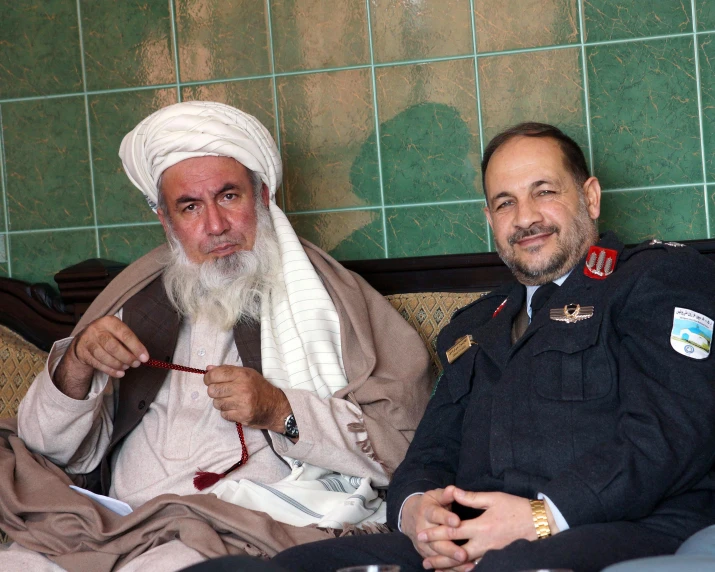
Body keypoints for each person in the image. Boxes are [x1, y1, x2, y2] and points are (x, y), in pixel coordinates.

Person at [0, 101, 432, 571]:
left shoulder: (330, 300)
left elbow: (406, 450)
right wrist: (78, 364)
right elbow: (46, 447)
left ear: (262, 196)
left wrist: (281, 410)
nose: (215, 226)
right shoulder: (134, 297)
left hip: (238, 528)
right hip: (118, 525)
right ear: (167, 222)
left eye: (229, 197)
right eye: (190, 207)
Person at [273, 122, 715, 572]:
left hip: (621, 526)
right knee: (289, 567)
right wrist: (418, 515)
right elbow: (429, 453)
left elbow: (668, 434)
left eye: (543, 192)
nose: (525, 218)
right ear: (490, 220)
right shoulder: (476, 326)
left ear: (591, 198)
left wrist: (541, 518)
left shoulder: (654, 280)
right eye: (506, 203)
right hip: (476, 536)